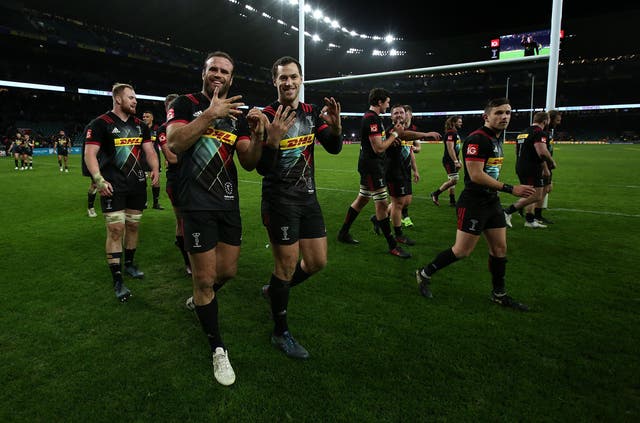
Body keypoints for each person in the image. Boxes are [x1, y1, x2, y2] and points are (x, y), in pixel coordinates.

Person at [166, 51, 264, 386]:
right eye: (213, 69)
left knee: (228, 272)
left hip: (227, 202)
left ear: (232, 77)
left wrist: (261, 133)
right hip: (196, 204)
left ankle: (200, 296)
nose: (218, 75)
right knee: (206, 279)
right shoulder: (184, 103)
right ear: (204, 73)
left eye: (225, 71)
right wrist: (209, 115)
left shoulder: (236, 113)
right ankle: (218, 350)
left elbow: (249, 161)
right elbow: (175, 143)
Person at [257, 55, 343, 360]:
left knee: (317, 262)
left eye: (293, 77)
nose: (288, 82)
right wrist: (273, 140)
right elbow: (262, 169)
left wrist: (336, 126)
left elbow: (333, 147)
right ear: (275, 82)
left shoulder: (309, 113)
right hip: (280, 202)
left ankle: (274, 290)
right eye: (283, 78)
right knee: (286, 266)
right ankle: (280, 332)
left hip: (308, 198)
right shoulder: (266, 115)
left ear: (301, 79)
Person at [415, 97, 536, 310]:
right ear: (486, 116)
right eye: (498, 113)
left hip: (492, 202)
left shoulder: (497, 138)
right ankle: (424, 273)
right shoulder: (477, 139)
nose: (504, 117)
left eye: (507, 112)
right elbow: (476, 175)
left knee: (500, 249)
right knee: (461, 251)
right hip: (474, 203)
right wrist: (511, 189)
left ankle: (499, 294)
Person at [83, 82, 160, 302]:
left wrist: (155, 168)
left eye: (135, 97)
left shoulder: (140, 125)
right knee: (116, 230)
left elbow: (149, 150)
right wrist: (98, 180)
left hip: (136, 185)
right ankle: (117, 280)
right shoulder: (101, 124)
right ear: (118, 99)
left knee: (133, 225)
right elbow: (90, 154)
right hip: (112, 186)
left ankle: (129, 265)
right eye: (131, 97)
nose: (135, 101)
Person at [372, 104, 439, 244]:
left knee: (406, 201)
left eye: (401, 113)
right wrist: (426, 135)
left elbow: (410, 151)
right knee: (398, 203)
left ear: (406, 115)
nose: (399, 115)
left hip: (405, 170)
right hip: (393, 172)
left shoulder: (404, 129)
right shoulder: (393, 130)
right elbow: (404, 135)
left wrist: (415, 170)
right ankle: (398, 234)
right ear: (391, 116)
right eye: (395, 113)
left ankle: (378, 218)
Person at [156, 93, 191, 275]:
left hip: (191, 178)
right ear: (167, 109)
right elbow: (170, 157)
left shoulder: (187, 125)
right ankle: (188, 262)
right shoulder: (163, 129)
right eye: (172, 106)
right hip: (176, 180)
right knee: (182, 221)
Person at [503, 111, 556, 228]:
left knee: (528, 193)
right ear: (545, 121)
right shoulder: (539, 133)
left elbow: (517, 151)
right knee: (536, 195)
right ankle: (507, 211)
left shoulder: (523, 133)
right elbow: (542, 152)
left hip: (521, 165)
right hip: (532, 167)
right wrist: (551, 162)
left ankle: (530, 220)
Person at [430, 115, 463, 207]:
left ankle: (452, 201)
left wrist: (459, 160)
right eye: (459, 122)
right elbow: (450, 149)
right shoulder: (450, 134)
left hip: (453, 160)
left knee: (452, 180)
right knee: (454, 180)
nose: (461, 123)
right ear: (453, 123)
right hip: (449, 161)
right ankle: (435, 193)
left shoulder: (454, 133)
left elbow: (456, 149)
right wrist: (456, 161)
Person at [537, 109, 562, 224]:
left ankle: (534, 213)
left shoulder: (548, 132)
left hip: (547, 165)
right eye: (557, 120)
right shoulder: (543, 132)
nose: (559, 122)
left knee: (546, 189)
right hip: (543, 165)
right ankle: (516, 208)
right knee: (540, 191)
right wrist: (546, 167)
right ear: (549, 119)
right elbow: (541, 152)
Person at [141, 110, 164, 210]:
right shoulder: (140, 129)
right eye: (144, 117)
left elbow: (163, 144)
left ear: (152, 118)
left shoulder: (157, 129)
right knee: (142, 182)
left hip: (155, 159)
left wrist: (166, 158)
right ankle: (143, 202)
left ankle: (156, 203)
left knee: (156, 181)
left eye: (147, 116)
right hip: (142, 159)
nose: (145, 118)